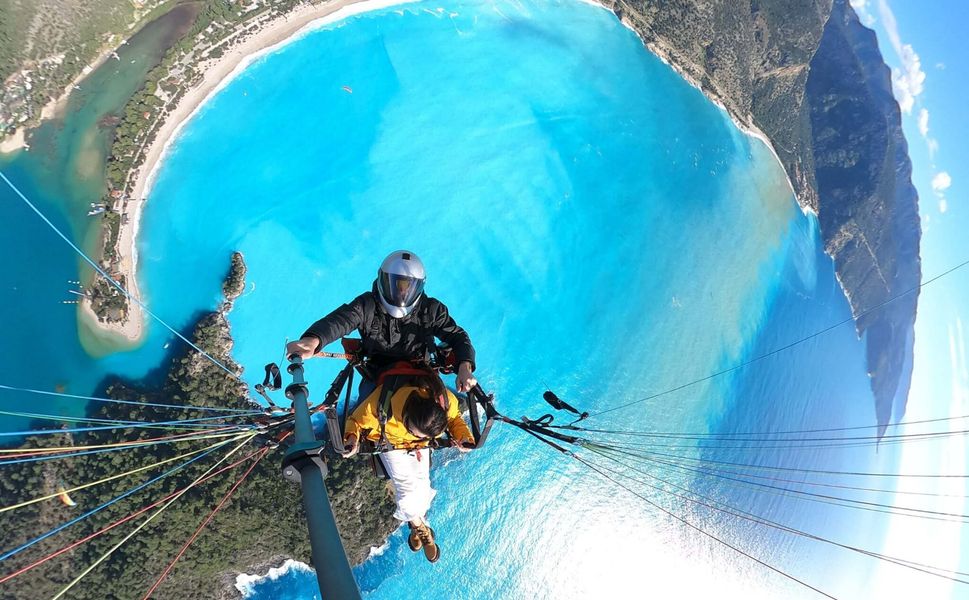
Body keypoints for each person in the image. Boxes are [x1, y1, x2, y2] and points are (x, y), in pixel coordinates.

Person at [286, 250, 477, 400]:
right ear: (383, 280)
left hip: (420, 372)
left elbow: (458, 336)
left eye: (408, 288)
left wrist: (464, 366)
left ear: (419, 287)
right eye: (396, 285)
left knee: (442, 411)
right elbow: (341, 320)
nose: (401, 294)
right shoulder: (367, 305)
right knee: (365, 421)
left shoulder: (432, 310)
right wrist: (314, 339)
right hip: (377, 374)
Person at [342, 372, 474, 562]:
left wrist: (463, 437)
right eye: (416, 432)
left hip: (420, 446)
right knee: (406, 490)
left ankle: (415, 523)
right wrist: (351, 439)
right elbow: (355, 421)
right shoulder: (380, 405)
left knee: (422, 485)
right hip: (392, 443)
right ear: (405, 418)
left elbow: (454, 419)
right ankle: (419, 525)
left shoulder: (442, 399)